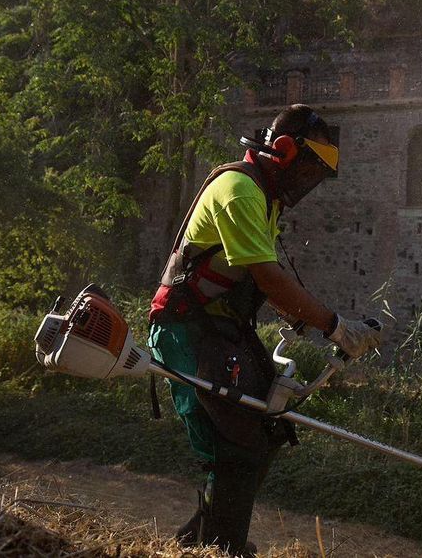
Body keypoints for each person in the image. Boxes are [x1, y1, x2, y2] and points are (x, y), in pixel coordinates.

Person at [148, 104, 382, 556]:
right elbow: (267, 277)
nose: (309, 182)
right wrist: (337, 328)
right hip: (185, 330)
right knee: (235, 451)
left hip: (219, 329)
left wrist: (303, 320)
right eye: (309, 169)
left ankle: (201, 540)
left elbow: (266, 278)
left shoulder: (263, 198)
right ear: (284, 149)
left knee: (265, 433)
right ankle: (222, 547)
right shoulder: (239, 190)